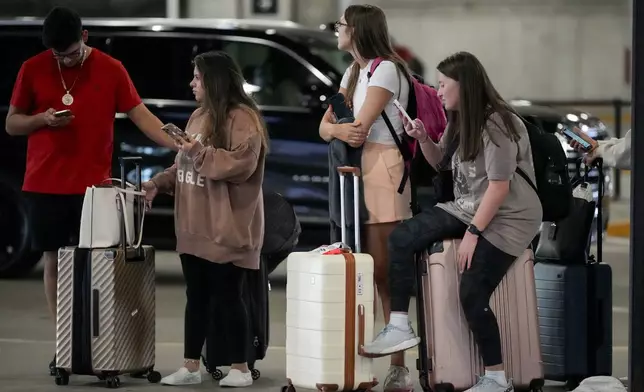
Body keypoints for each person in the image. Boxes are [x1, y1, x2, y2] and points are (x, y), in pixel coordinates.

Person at [3, 6, 175, 375]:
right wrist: (42, 119)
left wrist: (178, 144)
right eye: (57, 55)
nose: (64, 60)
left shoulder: (111, 69)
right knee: (54, 262)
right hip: (44, 184)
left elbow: (141, 115)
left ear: (85, 37)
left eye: (69, 53)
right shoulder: (32, 68)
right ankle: (64, 345)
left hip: (94, 187)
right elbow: (12, 124)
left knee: (99, 265)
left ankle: (100, 344)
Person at [361, 51, 543, 392]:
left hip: (510, 217)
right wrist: (423, 139)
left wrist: (474, 233)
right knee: (403, 238)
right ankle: (400, 325)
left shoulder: (499, 123)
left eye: (444, 85)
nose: (439, 91)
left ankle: (497, 377)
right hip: (468, 206)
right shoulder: (460, 119)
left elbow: (500, 188)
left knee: (471, 292)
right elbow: (440, 163)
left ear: (466, 86)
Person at [143, 50, 267, 388]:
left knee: (229, 297)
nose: (191, 83)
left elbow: (239, 167)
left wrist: (197, 151)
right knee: (196, 296)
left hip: (227, 229)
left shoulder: (244, 120)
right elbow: (182, 165)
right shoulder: (198, 117)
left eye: (197, 77)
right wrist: (156, 183)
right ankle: (190, 366)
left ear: (213, 80)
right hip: (193, 227)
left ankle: (240, 368)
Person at [318, 4, 415, 391]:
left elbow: (358, 127)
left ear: (357, 29)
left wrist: (337, 131)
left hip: (383, 172)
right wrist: (336, 131)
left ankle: (399, 367)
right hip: (355, 171)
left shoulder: (386, 69)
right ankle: (364, 364)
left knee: (384, 272)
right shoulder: (353, 70)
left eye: (340, 25)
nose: (336, 30)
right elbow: (325, 126)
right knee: (359, 268)